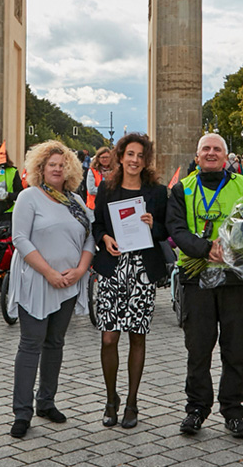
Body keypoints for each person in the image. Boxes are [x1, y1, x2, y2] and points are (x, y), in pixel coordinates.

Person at [167, 133, 243, 439]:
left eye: (217, 149)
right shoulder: (182, 188)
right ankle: (196, 409)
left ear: (226, 156)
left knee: (235, 351)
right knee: (198, 350)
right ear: (197, 153)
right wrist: (206, 248)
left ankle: (233, 412)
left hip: (235, 280)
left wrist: (232, 249)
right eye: (206, 148)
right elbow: (176, 228)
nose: (211, 153)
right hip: (197, 279)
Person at [4, 140, 94, 439]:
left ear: (69, 169)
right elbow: (20, 238)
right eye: (51, 164)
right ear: (40, 169)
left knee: (55, 343)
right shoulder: (29, 197)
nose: (57, 169)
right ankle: (21, 412)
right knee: (31, 344)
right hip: (37, 280)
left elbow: (90, 239)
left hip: (68, 284)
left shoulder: (76, 201)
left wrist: (80, 270)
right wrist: (49, 272)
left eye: (61, 164)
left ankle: (46, 401)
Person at [89, 134, 168, 430]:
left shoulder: (158, 192)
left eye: (140, 155)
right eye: (129, 154)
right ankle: (111, 399)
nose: (134, 160)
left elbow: (165, 230)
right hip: (112, 269)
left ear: (146, 160)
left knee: (137, 336)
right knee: (109, 337)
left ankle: (132, 402)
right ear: (120, 156)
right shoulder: (106, 189)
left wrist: (153, 225)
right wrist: (104, 238)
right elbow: (96, 224)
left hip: (142, 271)